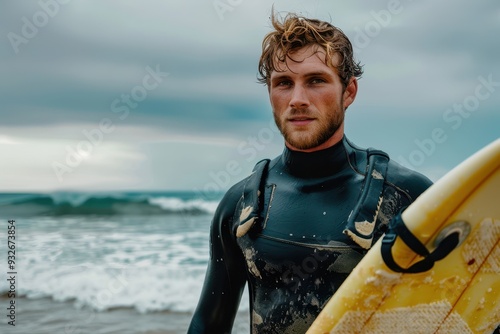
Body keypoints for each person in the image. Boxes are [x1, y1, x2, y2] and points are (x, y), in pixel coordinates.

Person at [188, 11, 433, 333]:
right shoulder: (244, 204)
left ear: (349, 92)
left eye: (316, 80)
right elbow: (209, 323)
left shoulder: (404, 197)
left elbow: (468, 307)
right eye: (283, 83)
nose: (298, 100)